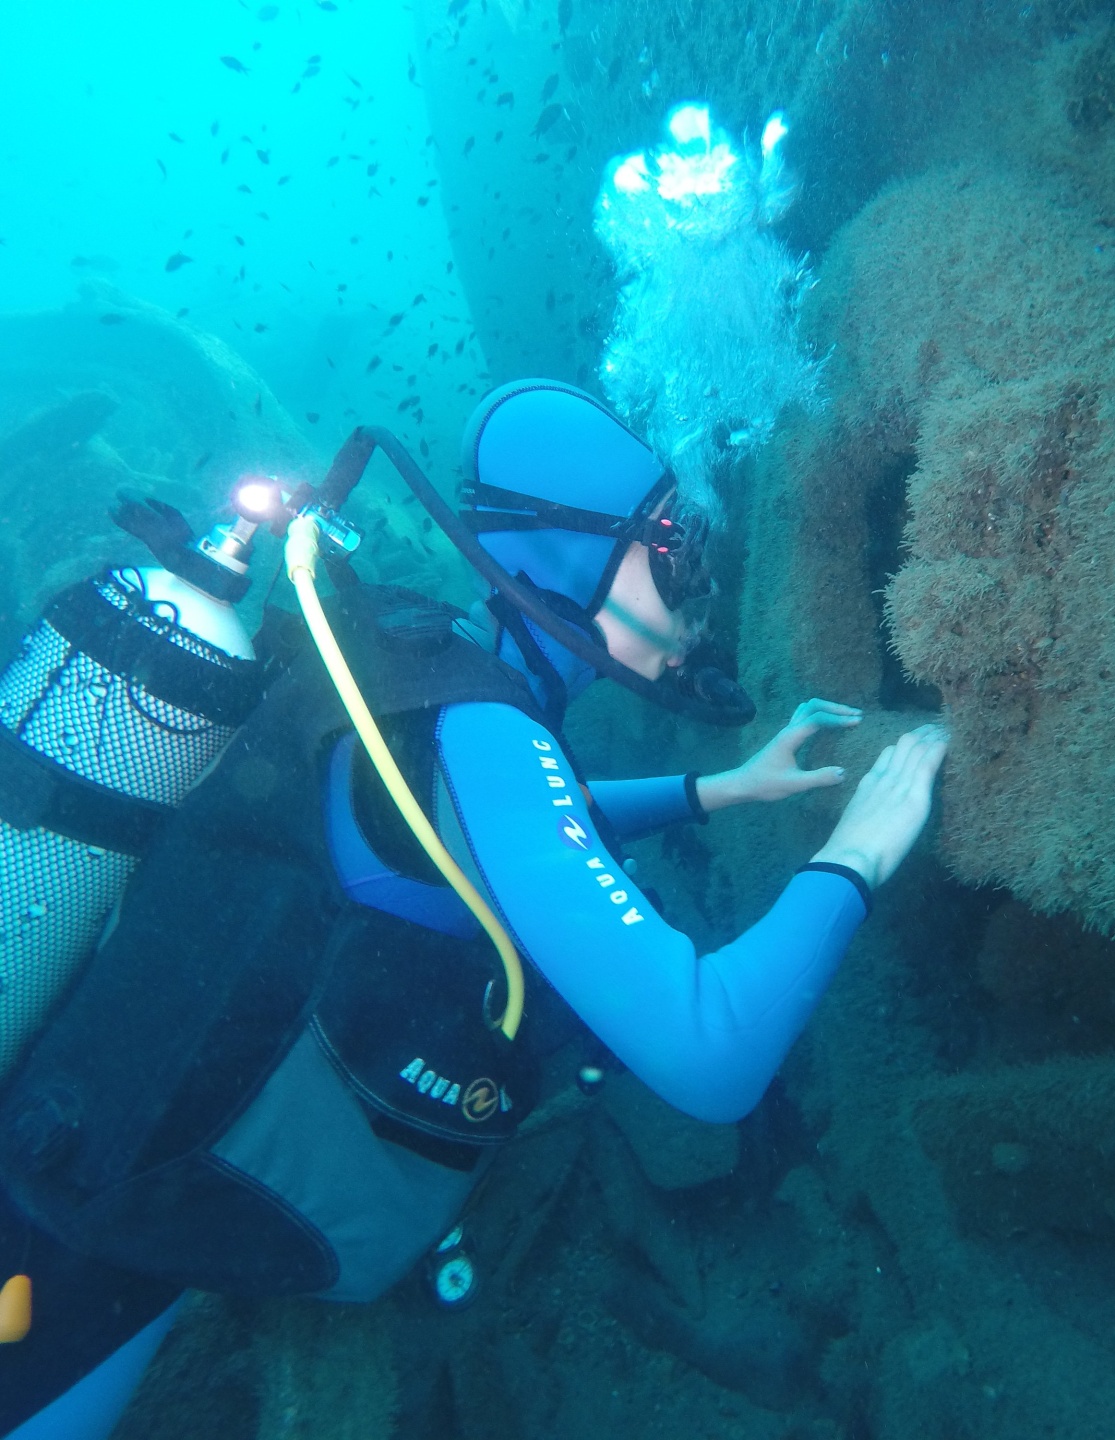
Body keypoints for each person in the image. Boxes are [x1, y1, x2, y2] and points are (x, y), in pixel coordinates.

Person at [0, 380, 947, 1438]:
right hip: (91, 1226)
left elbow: (465, 833)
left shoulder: (429, 665)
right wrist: (862, 848)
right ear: (570, 555)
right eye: (676, 556)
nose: (701, 598)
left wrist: (715, 789)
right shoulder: (495, 735)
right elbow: (712, 1057)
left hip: (122, 1138)